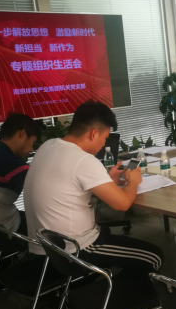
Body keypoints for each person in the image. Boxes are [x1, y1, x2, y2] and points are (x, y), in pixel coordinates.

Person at [24, 100, 163, 270]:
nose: (104, 144)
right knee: (154, 257)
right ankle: (114, 287)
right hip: (75, 249)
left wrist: (107, 181)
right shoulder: (83, 159)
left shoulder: (48, 146)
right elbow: (123, 204)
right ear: (94, 134)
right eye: (105, 138)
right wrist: (132, 182)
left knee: (110, 236)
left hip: (46, 247)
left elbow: (69, 187)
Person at [0, 113, 41, 237]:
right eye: (32, 142)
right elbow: (44, 198)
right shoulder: (17, 167)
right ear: (22, 134)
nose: (31, 149)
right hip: (0, 231)